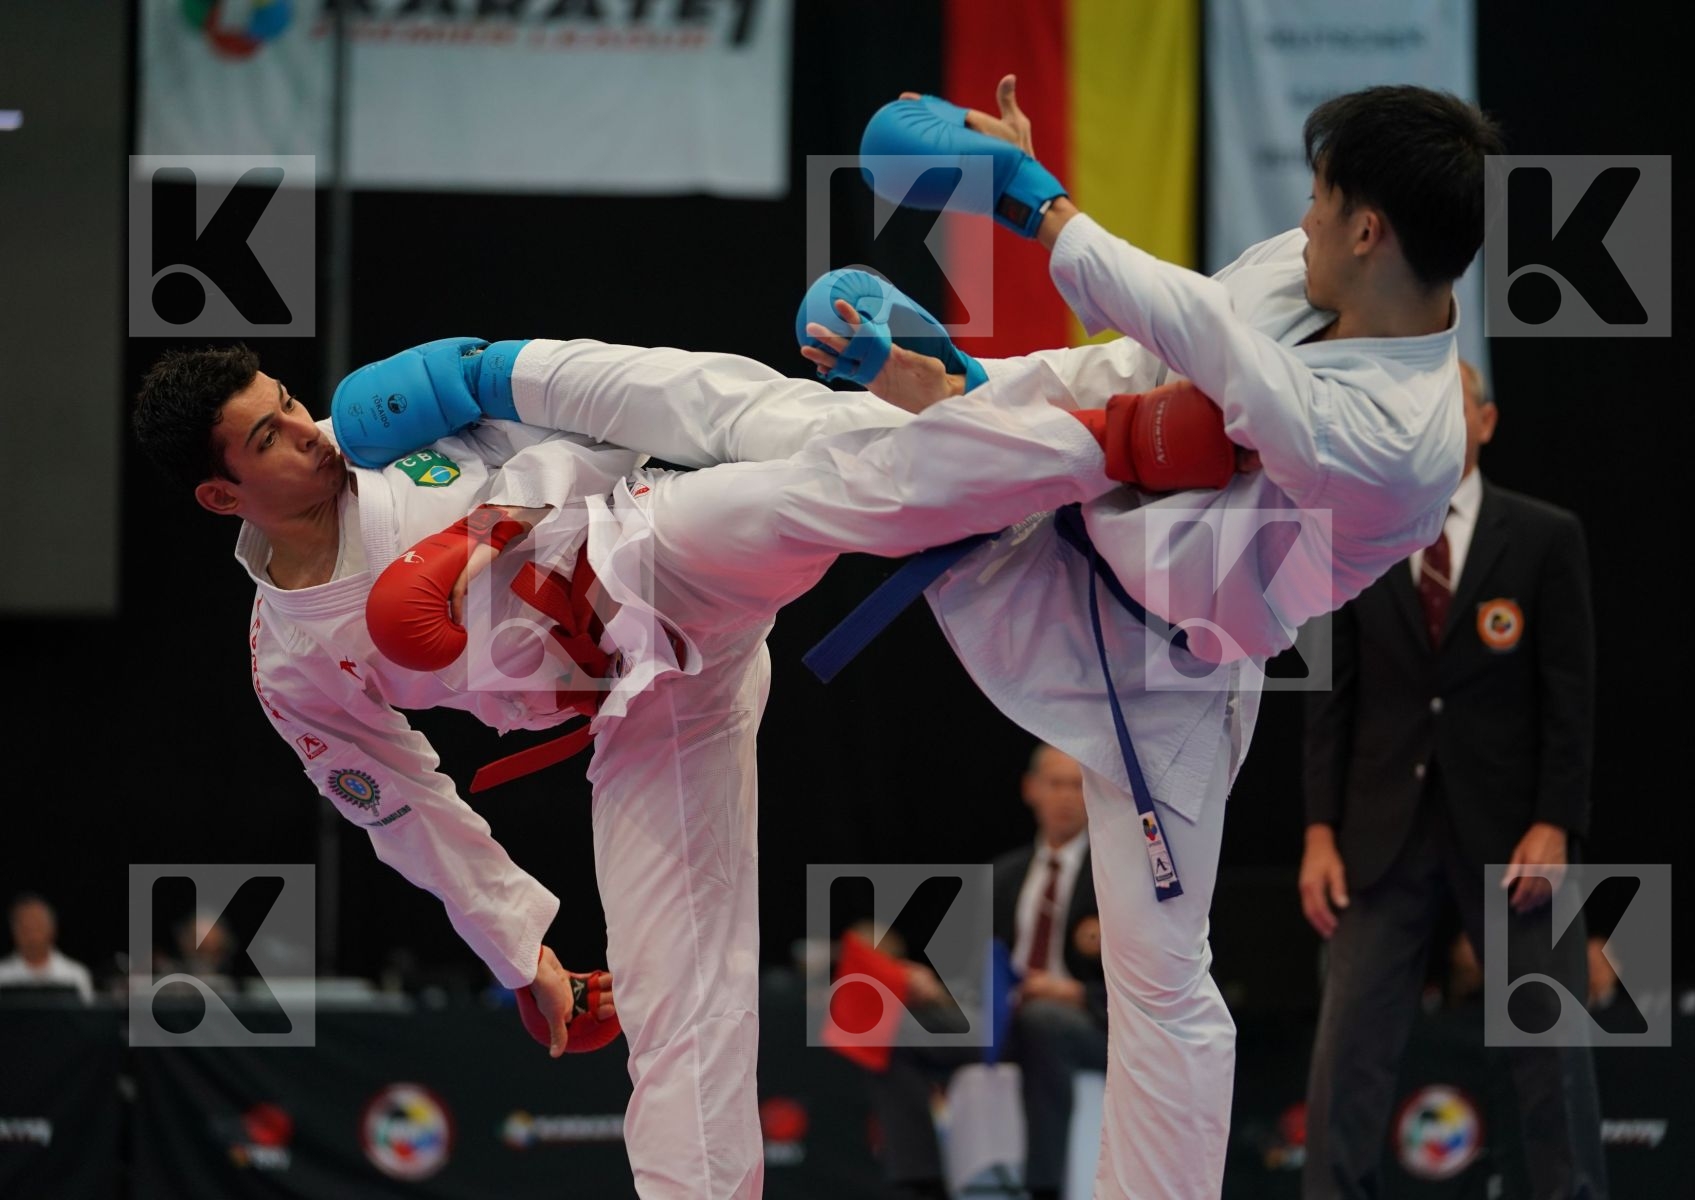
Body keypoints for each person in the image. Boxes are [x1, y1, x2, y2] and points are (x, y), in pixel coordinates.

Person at [130, 331, 1231, 1199]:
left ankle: (1123, 420)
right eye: (269, 438)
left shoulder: (378, 421)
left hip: (648, 542)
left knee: (824, 478)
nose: (305, 432)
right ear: (222, 496)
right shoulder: (293, 664)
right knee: (675, 1004)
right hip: (641, 705)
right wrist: (522, 953)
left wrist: (488, 533)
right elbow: (406, 807)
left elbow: (595, 409)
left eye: (287, 402)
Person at [796, 78, 1501, 1197]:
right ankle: (538, 417)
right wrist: (983, 394)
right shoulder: (1314, 267)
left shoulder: (1402, 439)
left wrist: (1032, 201)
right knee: (823, 441)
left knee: (1163, 982)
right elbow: (1149, 349)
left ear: (1370, 229)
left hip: (1172, 671)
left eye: (1321, 203)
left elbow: (1214, 352)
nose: (1302, 222)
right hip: (1081, 473)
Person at [1298, 360, 1605, 1198]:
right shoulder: (1356, 535)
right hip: (1379, 831)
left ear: (1486, 422)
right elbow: (1329, 695)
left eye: (1451, 404)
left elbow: (1570, 699)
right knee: (1347, 1058)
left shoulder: (1544, 536)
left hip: (1512, 836)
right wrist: (1319, 831)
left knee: (1551, 1056)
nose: (1435, 419)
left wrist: (1557, 822)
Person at [869, 742, 1106, 1200]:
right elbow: (979, 970)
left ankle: (1045, 1186)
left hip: (1088, 1021)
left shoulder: (1114, 876)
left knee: (1043, 1020)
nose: (1065, 797)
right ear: (1031, 789)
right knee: (888, 1027)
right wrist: (936, 990)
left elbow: (1147, 975)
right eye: (1055, 784)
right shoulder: (1006, 874)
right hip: (1006, 1018)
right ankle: (921, 1183)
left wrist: (1071, 992)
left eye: (1077, 786)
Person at [0, 893, 94, 1003]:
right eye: (24, 927)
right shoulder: (2, 975)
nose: (31, 934)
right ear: (13, 931)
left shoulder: (75, 975)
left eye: (36, 926)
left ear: (52, 929)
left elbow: (85, 1018)